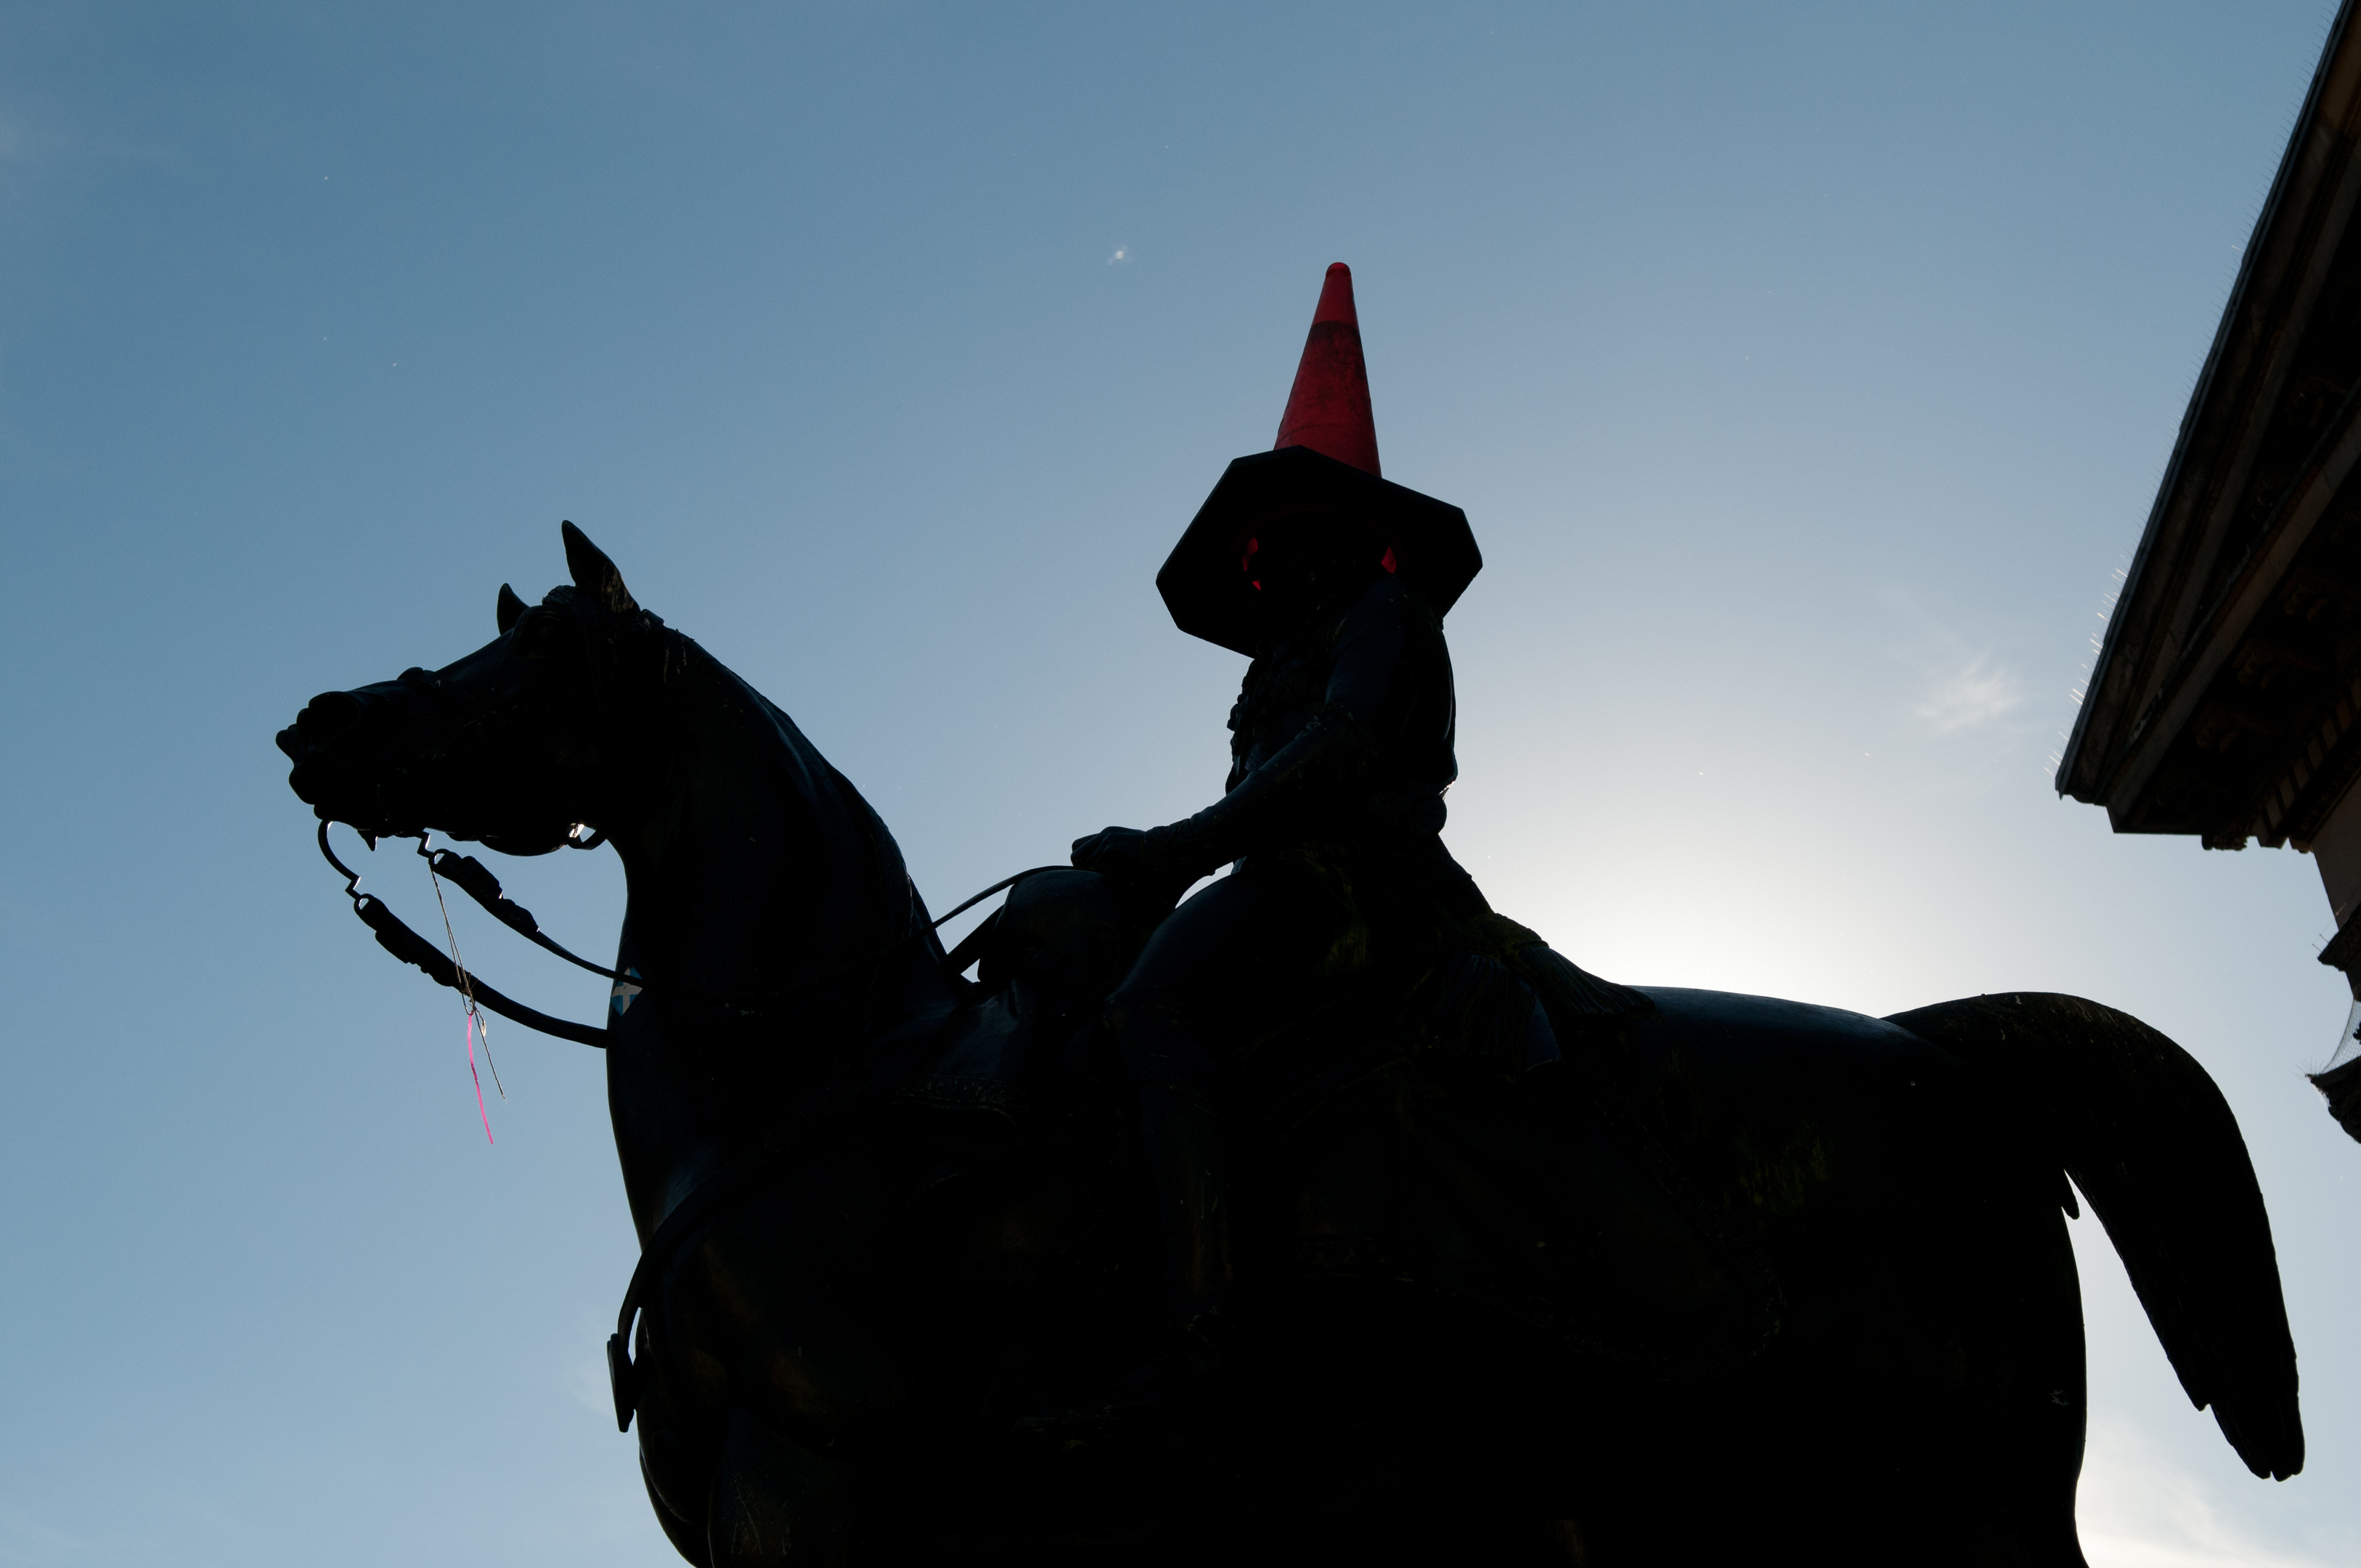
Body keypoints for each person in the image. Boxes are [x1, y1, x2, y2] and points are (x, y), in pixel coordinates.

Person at [1059, 264, 1497, 1419]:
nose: (1269, 569)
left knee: (1151, 1007)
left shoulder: (1384, 615)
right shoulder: (1283, 657)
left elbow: (1341, 757)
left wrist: (1176, 848)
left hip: (1366, 885)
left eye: (1283, 545)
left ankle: (1208, 1334)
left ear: (1335, 537)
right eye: (1261, 555)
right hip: (1286, 878)